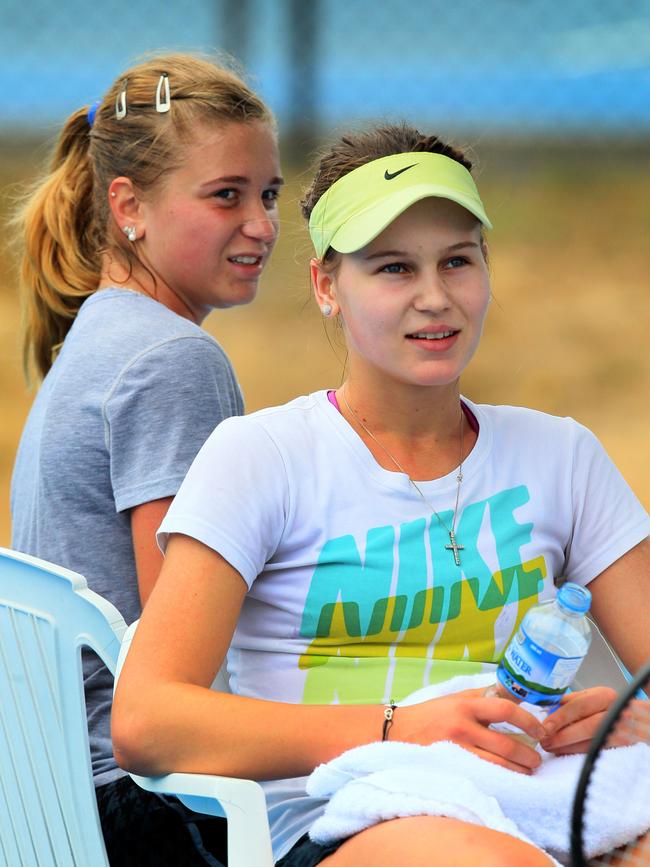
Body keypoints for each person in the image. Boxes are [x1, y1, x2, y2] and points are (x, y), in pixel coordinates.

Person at [112, 124, 650, 866]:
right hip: (334, 821)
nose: (435, 298)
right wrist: (403, 725)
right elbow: (146, 718)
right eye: (394, 268)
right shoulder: (261, 456)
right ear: (327, 287)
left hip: (534, 797)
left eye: (457, 261)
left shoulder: (561, 454)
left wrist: (633, 718)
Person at [10, 52, 282, 865]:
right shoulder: (173, 360)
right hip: (148, 806)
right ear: (127, 204)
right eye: (225, 195)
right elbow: (180, 656)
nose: (263, 224)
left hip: (64, 788)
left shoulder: (98, 333)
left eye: (267, 195)